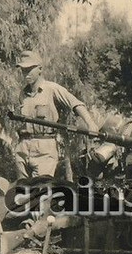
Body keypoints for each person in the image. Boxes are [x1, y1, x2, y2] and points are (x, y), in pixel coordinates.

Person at [15, 50, 97, 179]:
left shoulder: (52, 89)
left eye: (29, 69)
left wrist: (91, 124)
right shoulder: (22, 94)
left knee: (41, 191)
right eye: (23, 70)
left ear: (40, 69)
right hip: (23, 147)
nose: (26, 73)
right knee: (21, 192)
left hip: (44, 148)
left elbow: (76, 104)